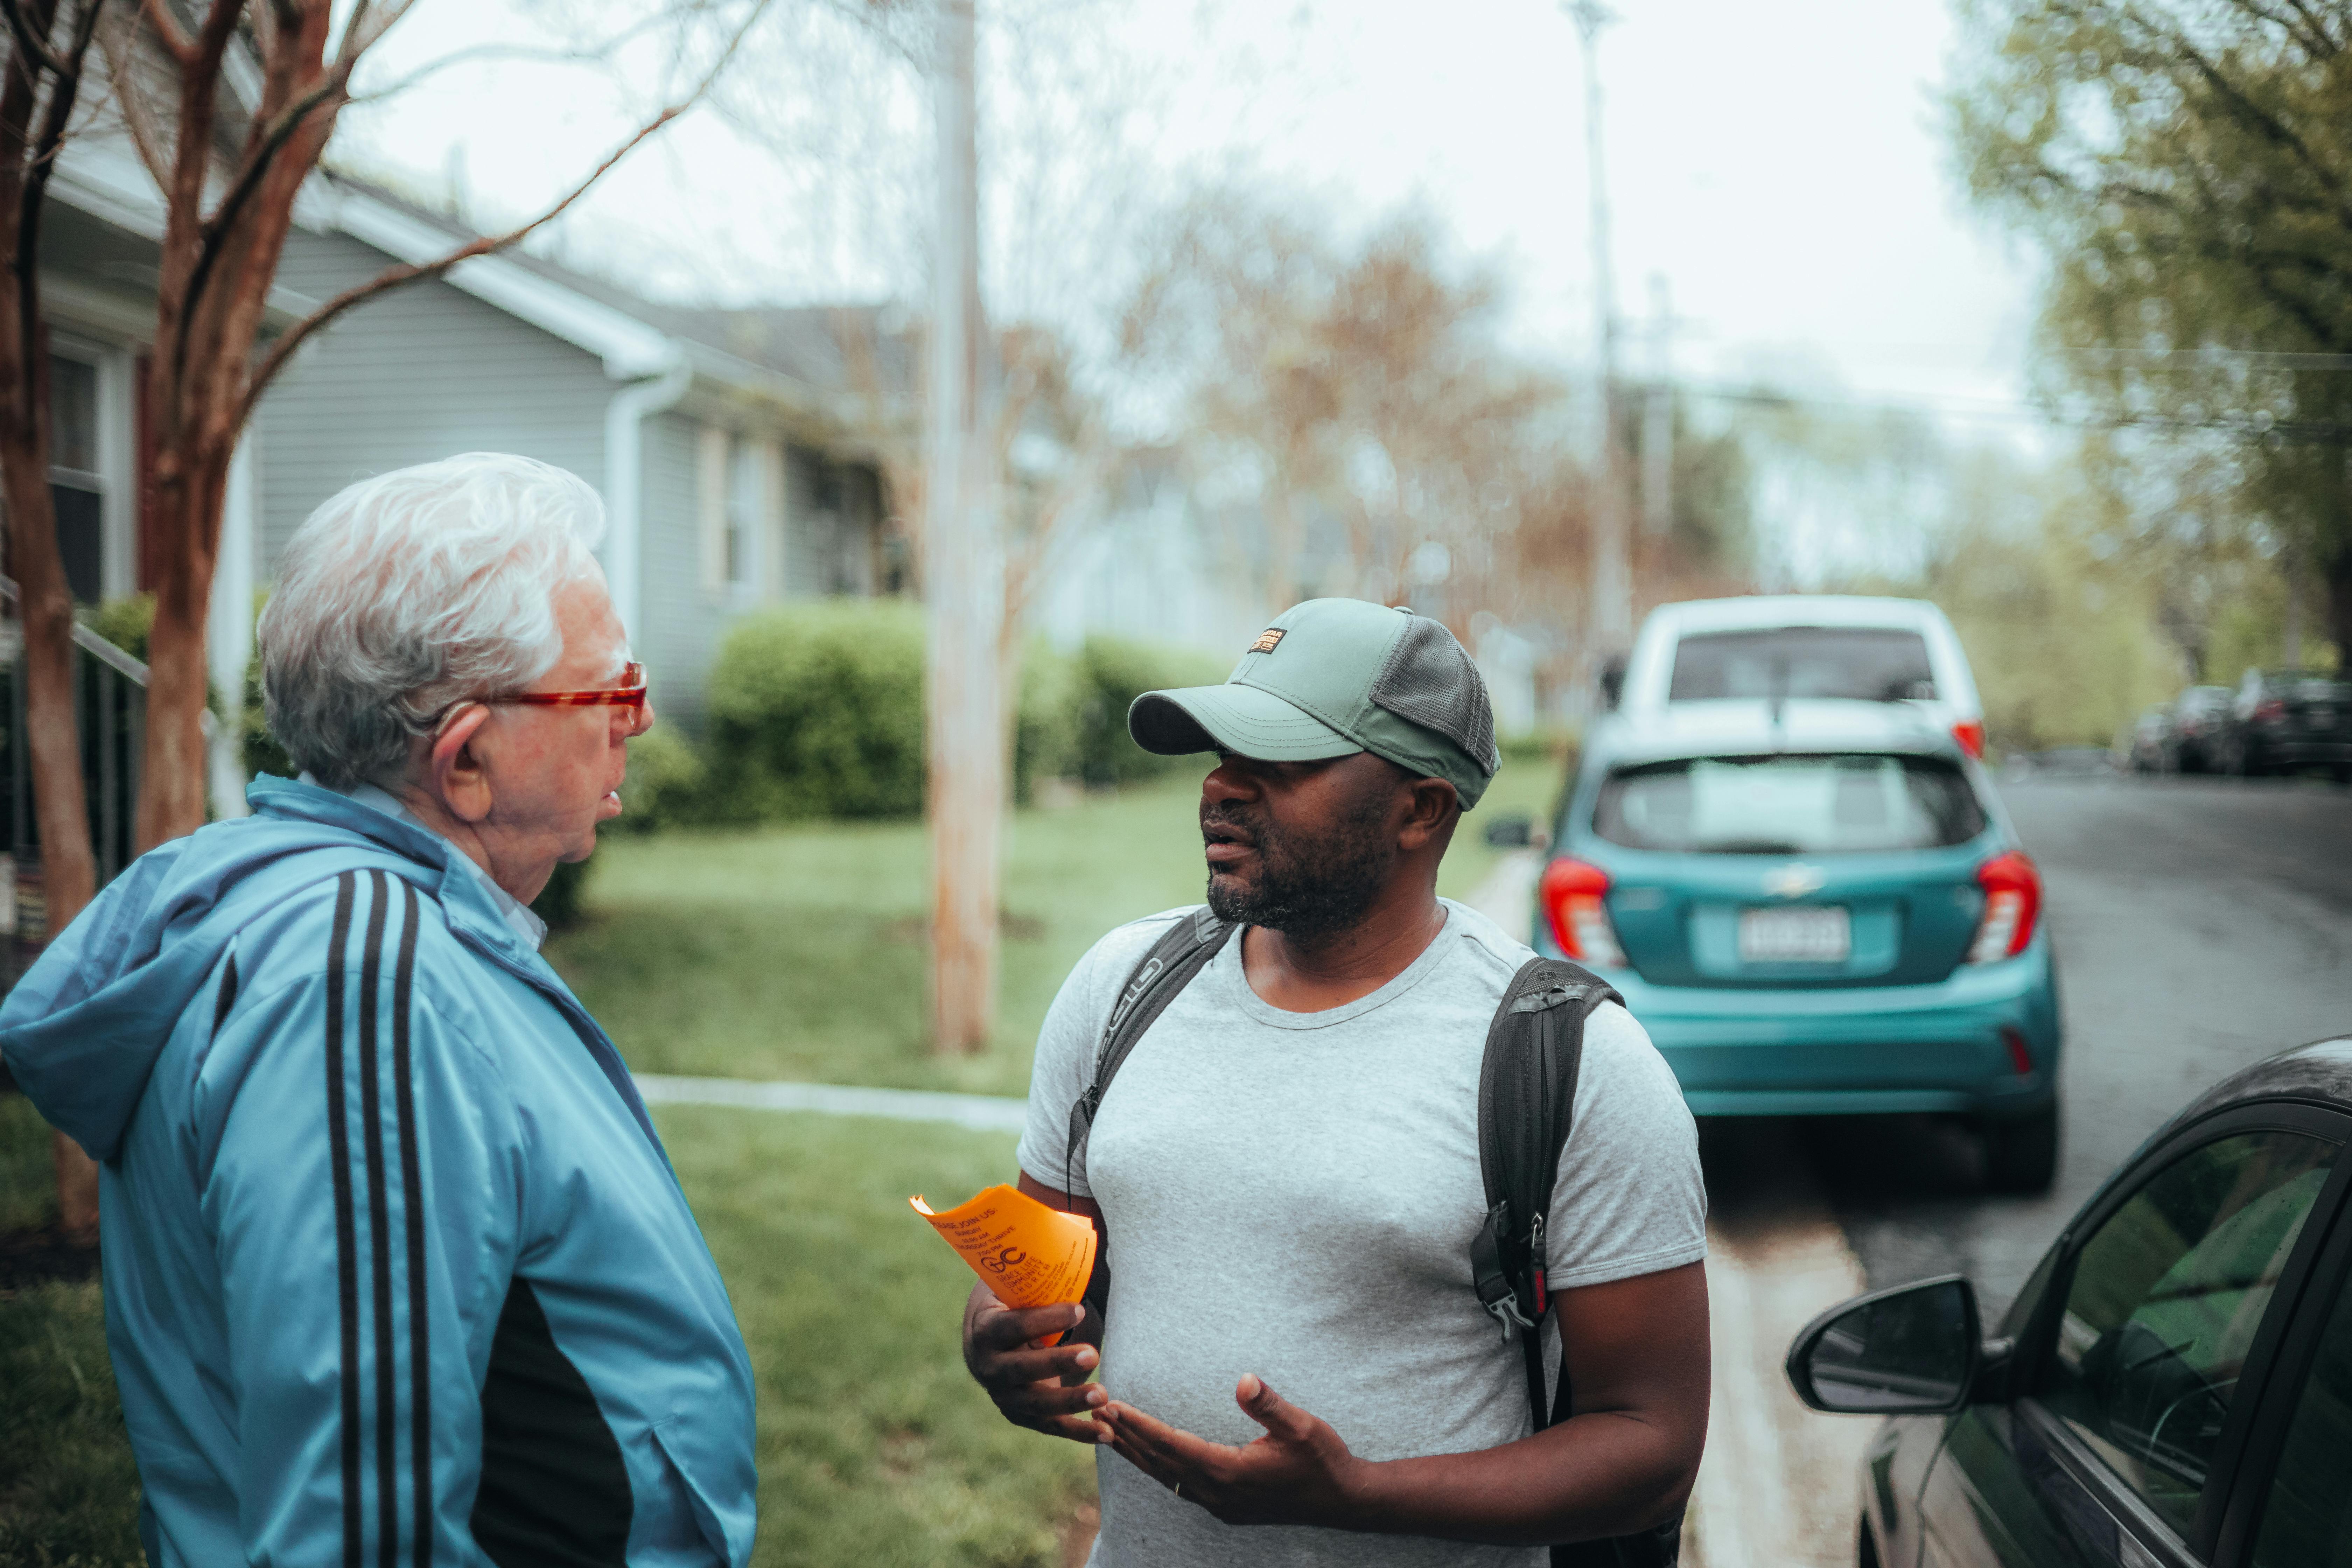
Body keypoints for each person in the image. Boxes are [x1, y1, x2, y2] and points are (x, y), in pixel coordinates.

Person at [0, 454, 757, 1567]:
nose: (630, 725)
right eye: (608, 693)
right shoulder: (364, 980)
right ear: (466, 762)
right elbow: (362, 1517)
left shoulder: (365, 924)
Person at [961, 598, 1710, 1566]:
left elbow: (1652, 1448)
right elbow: (1030, 1270)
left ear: (1420, 808)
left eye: (1277, 765)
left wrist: (1360, 1496)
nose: (1220, 789)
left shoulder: (1571, 1059)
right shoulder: (1122, 985)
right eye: (1218, 753)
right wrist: (1000, 1340)